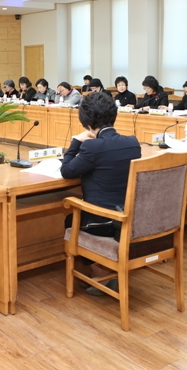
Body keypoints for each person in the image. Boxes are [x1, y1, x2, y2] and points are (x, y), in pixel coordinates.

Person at [60, 92, 142, 293]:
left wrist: (76, 141)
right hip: (130, 217)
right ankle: (105, 267)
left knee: (71, 220)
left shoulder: (92, 147)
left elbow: (67, 170)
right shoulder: (133, 143)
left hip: (104, 222)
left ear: (87, 124)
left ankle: (99, 270)